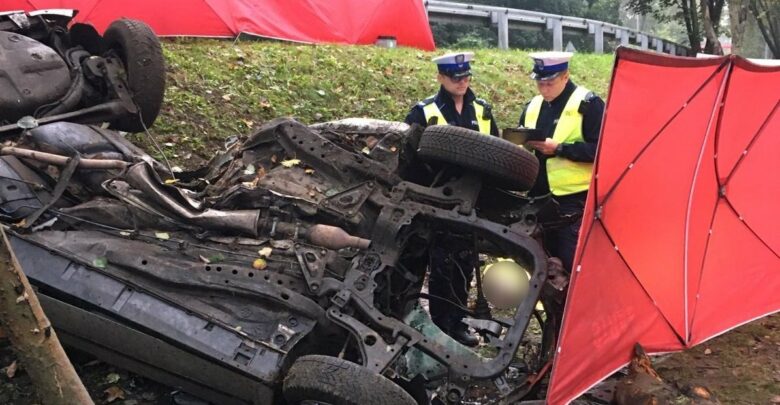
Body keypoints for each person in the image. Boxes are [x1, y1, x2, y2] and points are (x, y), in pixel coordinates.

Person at [404, 52, 498, 347]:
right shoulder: (424, 111)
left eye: (466, 76)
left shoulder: (481, 110)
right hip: (433, 198)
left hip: (471, 199)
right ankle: (415, 320)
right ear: (441, 78)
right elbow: (407, 156)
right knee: (424, 262)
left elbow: (497, 151)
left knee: (462, 263)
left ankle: (454, 323)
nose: (462, 82)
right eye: (456, 77)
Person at [518, 51, 605, 273]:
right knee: (541, 264)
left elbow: (603, 151)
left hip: (573, 202)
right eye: (539, 82)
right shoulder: (533, 105)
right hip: (538, 198)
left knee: (571, 265)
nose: (543, 88)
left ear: (565, 76)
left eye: (549, 82)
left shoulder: (589, 105)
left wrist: (560, 149)